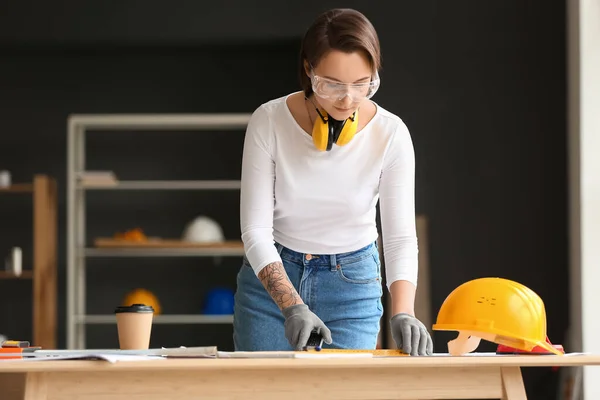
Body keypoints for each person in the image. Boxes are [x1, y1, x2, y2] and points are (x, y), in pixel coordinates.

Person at [233, 8, 433, 356]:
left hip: (352, 287)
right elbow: (255, 231)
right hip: (272, 278)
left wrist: (403, 311)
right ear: (309, 70)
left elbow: (400, 237)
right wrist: (291, 305)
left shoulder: (391, 134)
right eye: (332, 85)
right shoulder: (268, 122)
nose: (348, 99)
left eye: (362, 84)